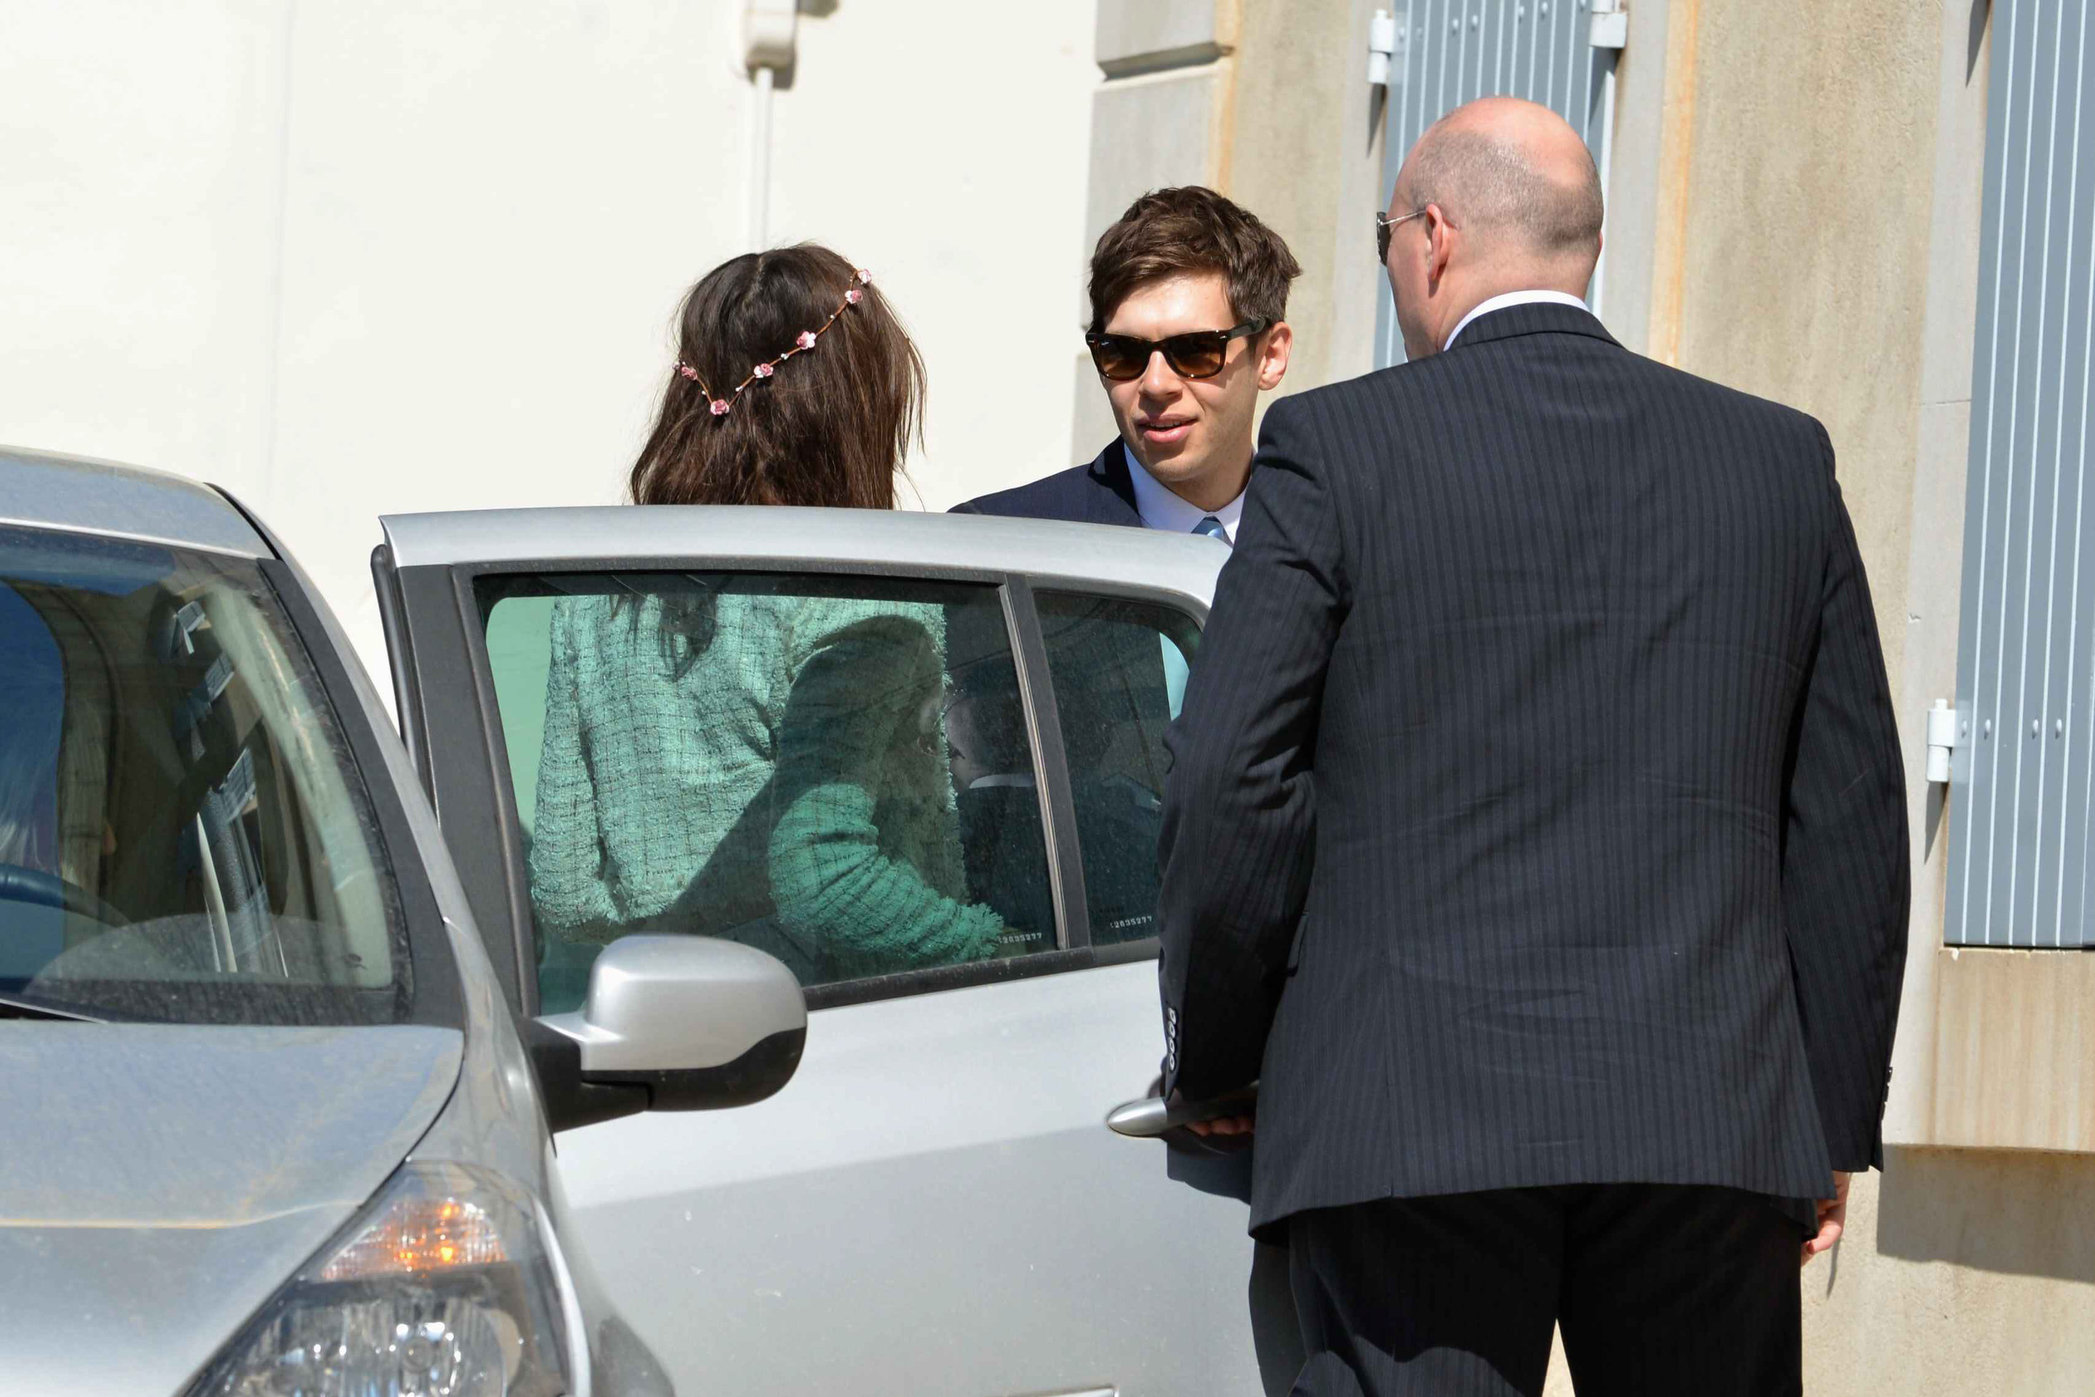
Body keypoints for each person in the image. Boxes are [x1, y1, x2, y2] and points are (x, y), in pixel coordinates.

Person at [1156, 97, 1909, 1397]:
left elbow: (1233, 781)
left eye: (1386, 233)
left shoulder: (1334, 450)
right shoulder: (1774, 462)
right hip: (1705, 1119)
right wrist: (1823, 1121)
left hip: (1405, 1121)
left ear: (1432, 238)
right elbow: (1844, 814)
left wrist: (1218, 1061)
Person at [529, 245, 1020, 989]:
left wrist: (676, 949)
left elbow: (564, 891)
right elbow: (826, 881)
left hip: (646, 1033)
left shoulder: (599, 593)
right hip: (840, 1033)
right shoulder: (855, 593)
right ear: (851, 400)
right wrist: (1002, 945)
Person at [954, 184, 1298, 544]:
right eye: (1123, 352)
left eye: (1195, 349)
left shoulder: (1346, 548)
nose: (1155, 384)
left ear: (1270, 356)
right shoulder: (993, 542)